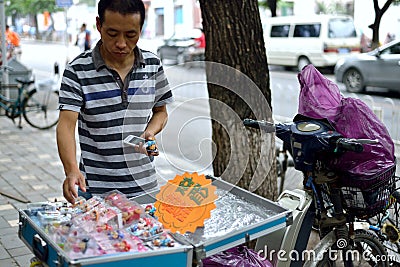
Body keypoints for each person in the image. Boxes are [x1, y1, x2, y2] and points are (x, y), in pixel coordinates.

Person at [57, 0, 174, 204]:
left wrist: (150, 132)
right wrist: (71, 170)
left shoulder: (153, 65)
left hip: (144, 188)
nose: (121, 43)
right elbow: (66, 125)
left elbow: (161, 112)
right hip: (95, 192)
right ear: (99, 25)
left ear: (140, 29)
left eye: (131, 35)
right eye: (112, 34)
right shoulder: (77, 71)